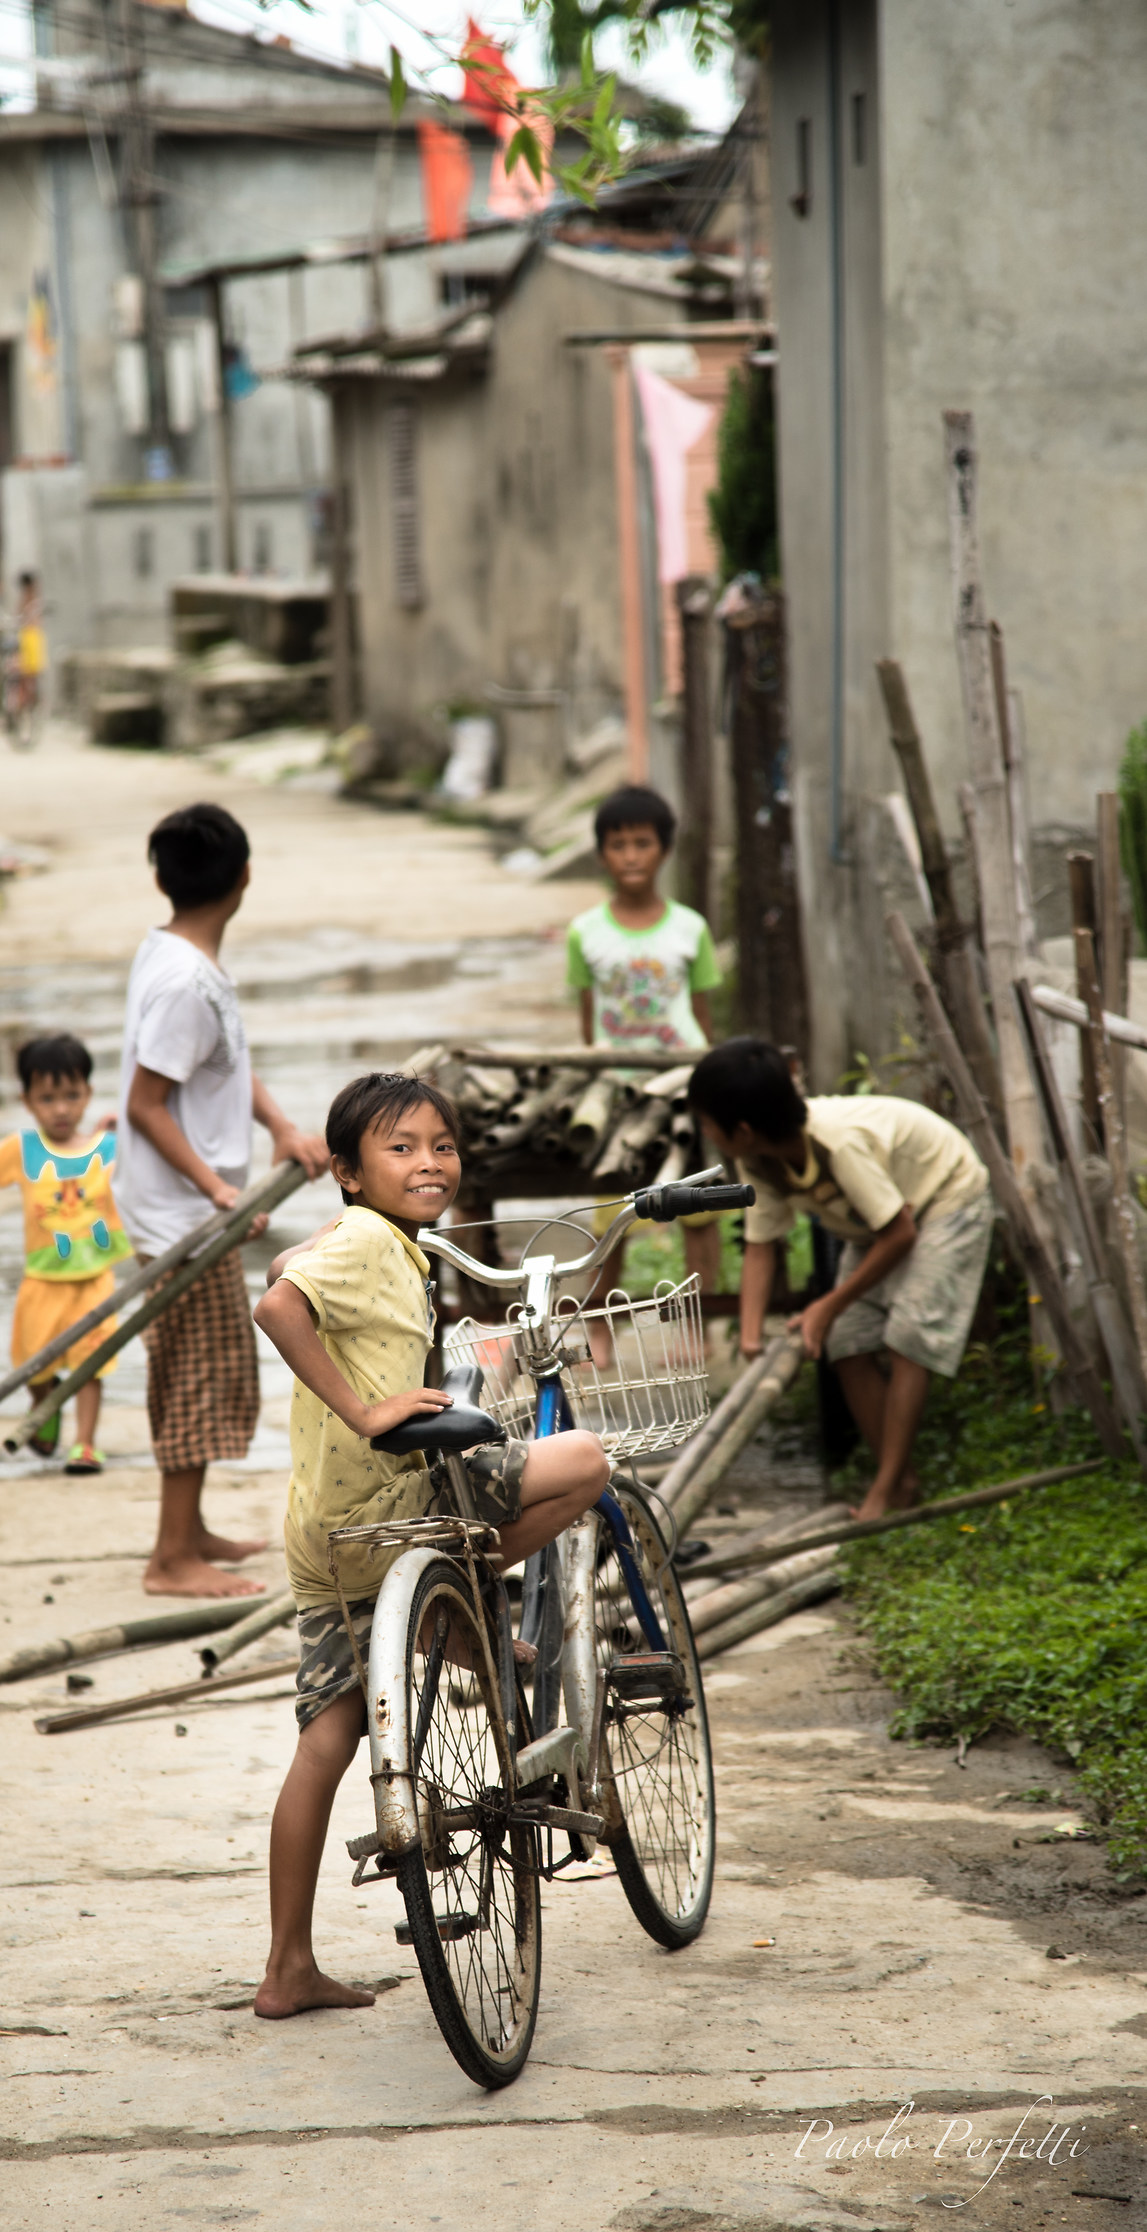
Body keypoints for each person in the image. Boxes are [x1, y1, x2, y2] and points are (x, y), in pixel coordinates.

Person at [249, 1071, 612, 2018]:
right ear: (347, 1172)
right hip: (399, 1494)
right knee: (584, 1460)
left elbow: (301, 1274)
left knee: (327, 1737)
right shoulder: (371, 1240)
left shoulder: (361, 1236)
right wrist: (369, 1408)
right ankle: (467, 1593)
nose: (428, 1162)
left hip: (326, 1531)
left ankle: (286, 1965)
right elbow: (276, 1306)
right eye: (400, 1147)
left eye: (441, 1146)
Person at [116, 801, 329, 1598]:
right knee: (196, 1375)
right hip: (182, 1217)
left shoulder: (178, 957)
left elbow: (222, 1066)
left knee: (204, 1367)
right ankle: (171, 1557)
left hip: (189, 1207)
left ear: (161, 880)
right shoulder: (183, 983)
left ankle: (190, 1528)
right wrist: (217, 1193)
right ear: (243, 878)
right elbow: (146, 1103)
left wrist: (277, 1124)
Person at [688, 1037, 993, 1522]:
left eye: (706, 1121)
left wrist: (826, 1304)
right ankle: (900, 1476)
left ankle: (887, 1488)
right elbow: (762, 1243)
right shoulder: (757, 1159)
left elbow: (900, 1233)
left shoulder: (838, 1143)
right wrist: (749, 1339)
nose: (703, 1129)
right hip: (875, 1219)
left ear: (742, 1129)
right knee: (846, 1341)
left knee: (909, 1340)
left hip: (943, 1195)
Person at [567, 782, 725, 1288]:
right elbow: (588, 1019)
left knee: (697, 1209)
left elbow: (702, 1017)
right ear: (601, 855)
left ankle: (698, 1325)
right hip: (617, 1089)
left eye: (642, 843)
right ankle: (596, 1326)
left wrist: (708, 1079)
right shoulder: (584, 932)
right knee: (610, 1213)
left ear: (664, 849)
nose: (631, 856)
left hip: (682, 1083)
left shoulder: (690, 928)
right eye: (618, 845)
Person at [0, 1031, 129, 1473]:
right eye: (48, 1098)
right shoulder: (23, 1148)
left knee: (91, 1364)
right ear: (27, 1100)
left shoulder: (108, 1149)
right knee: (37, 1367)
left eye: (72, 1095)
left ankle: (85, 1443)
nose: (62, 1108)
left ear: (88, 1094)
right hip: (42, 1282)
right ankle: (44, 1406)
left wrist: (120, 1126)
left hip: (94, 1282)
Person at [3, 571, 46, 747]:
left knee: (30, 677)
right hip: (25, 640)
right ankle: (20, 707)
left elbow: (33, 620)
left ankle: (30, 705)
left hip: (31, 641)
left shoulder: (34, 600)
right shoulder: (26, 600)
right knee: (21, 674)